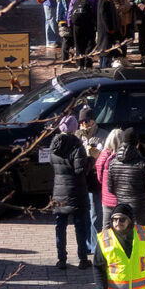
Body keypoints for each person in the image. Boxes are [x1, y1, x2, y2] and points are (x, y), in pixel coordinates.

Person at [50, 114, 92, 271]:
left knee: (60, 225)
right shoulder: (77, 145)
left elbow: (54, 165)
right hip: (76, 190)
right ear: (74, 129)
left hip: (59, 190)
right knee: (80, 225)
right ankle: (83, 258)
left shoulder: (54, 145)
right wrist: (91, 159)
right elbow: (81, 170)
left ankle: (61, 259)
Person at [106, 128, 145, 228]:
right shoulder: (144, 163)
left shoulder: (113, 163)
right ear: (137, 144)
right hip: (141, 209)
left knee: (125, 237)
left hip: (122, 208)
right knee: (142, 239)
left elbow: (110, 188)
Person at [78, 105, 104, 252]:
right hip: (81, 179)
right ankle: (86, 244)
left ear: (93, 120)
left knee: (95, 215)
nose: (84, 124)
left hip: (95, 180)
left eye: (87, 120)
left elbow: (107, 157)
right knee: (84, 215)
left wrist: (95, 156)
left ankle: (96, 246)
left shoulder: (102, 135)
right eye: (81, 121)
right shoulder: (76, 136)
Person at [95, 128, 124, 226]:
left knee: (106, 226)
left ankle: (107, 242)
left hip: (107, 198)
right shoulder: (125, 155)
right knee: (121, 227)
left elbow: (99, 178)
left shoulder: (103, 156)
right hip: (122, 198)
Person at [94, 0, 124, 69]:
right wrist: (110, 29)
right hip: (106, 32)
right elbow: (104, 16)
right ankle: (104, 72)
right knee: (105, 52)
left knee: (106, 52)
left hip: (107, 31)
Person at [69, 0, 96, 65]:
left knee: (78, 44)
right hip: (89, 24)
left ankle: (79, 63)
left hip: (76, 24)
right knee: (90, 43)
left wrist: (69, 23)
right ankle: (88, 62)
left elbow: (70, 12)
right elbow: (95, 11)